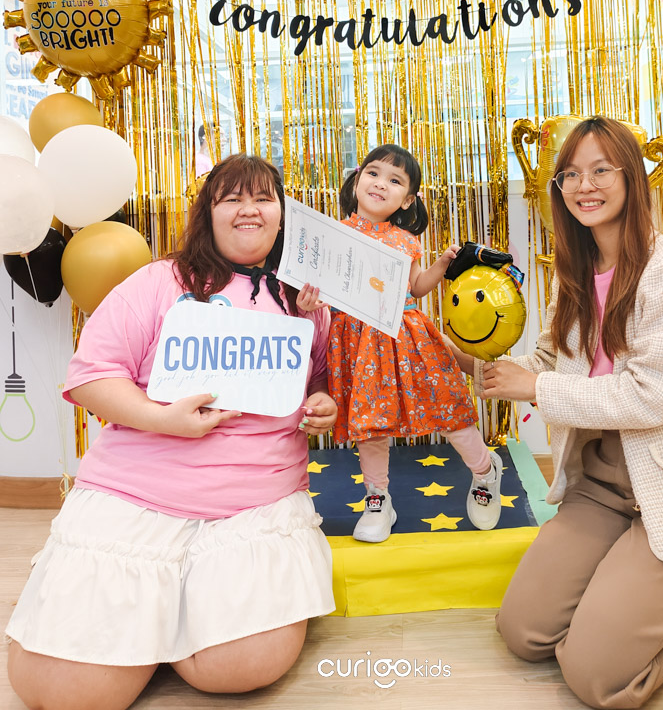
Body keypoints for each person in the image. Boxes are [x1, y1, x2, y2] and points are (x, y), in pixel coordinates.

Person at [6, 154, 337, 710]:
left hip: (252, 506)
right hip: (135, 494)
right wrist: (163, 419)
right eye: (232, 198)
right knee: (60, 693)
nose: (249, 209)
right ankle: (141, 616)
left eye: (263, 198)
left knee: (238, 669)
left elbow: (319, 383)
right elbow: (90, 377)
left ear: (283, 215)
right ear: (208, 212)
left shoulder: (304, 300)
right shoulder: (160, 280)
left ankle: (160, 622)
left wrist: (323, 403)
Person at [480, 116, 663, 709]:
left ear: (632, 177)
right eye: (570, 174)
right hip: (606, 482)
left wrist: (535, 388)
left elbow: (651, 396)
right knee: (525, 632)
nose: (584, 185)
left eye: (601, 170)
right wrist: (473, 358)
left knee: (596, 679)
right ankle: (640, 593)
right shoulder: (576, 273)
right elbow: (550, 359)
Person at [303, 143, 502, 543]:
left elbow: (417, 287)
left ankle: (485, 470)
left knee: (449, 409)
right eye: (373, 173)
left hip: (409, 340)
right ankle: (377, 498)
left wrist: (441, 264)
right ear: (356, 180)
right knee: (371, 426)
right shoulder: (332, 234)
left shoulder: (407, 240)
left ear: (408, 199)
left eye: (395, 180)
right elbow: (320, 289)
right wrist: (308, 302)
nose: (381, 184)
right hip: (357, 344)